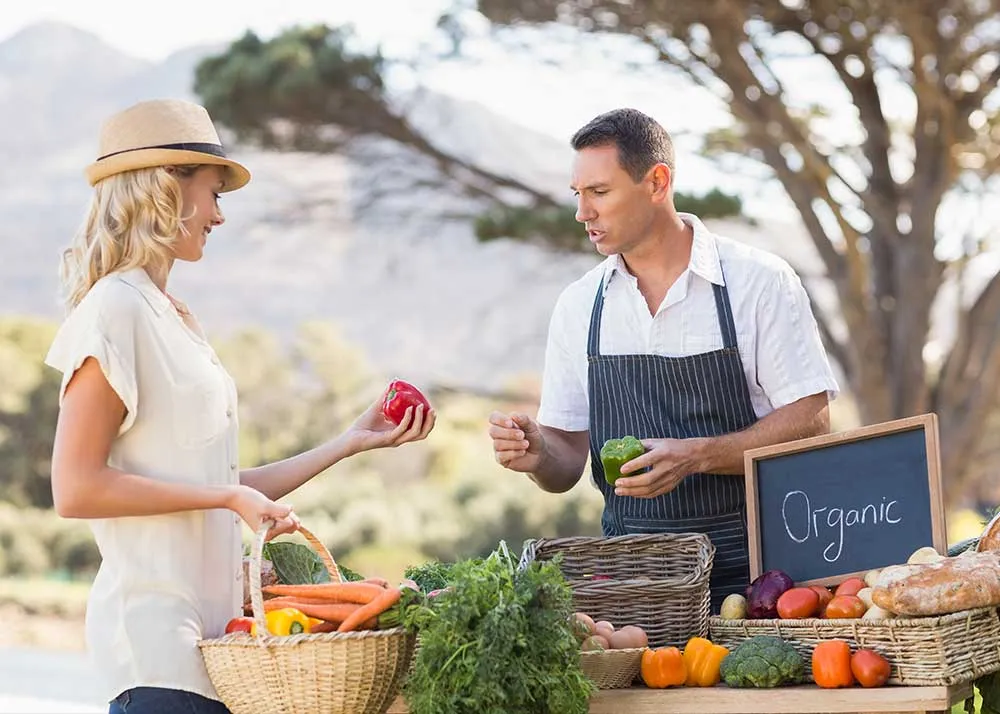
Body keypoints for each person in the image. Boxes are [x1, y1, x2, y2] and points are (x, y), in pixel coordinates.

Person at [43, 98, 436, 714]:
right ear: (165, 189)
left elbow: (218, 484)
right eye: (214, 193)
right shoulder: (114, 309)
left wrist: (348, 441)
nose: (220, 216)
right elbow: (75, 487)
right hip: (155, 651)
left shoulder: (173, 317)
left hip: (214, 652)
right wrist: (227, 499)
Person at [488, 108, 838, 611]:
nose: (582, 213)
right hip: (636, 590)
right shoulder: (580, 305)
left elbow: (812, 424)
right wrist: (537, 453)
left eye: (599, 192)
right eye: (577, 194)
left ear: (656, 182)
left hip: (764, 585)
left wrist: (696, 456)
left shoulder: (758, 283)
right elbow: (565, 463)